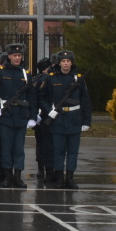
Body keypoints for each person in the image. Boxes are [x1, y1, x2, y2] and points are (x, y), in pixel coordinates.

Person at [0, 42, 38, 189]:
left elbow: (32, 97)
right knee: (6, 147)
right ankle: (7, 176)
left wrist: (33, 117)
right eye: (15, 55)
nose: (17, 58)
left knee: (18, 148)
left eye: (20, 55)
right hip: (6, 115)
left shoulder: (26, 74)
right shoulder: (1, 73)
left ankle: (18, 176)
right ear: (9, 56)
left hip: (21, 116)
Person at [40, 50, 91, 189]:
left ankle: (70, 178)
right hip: (57, 119)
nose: (66, 64)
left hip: (74, 119)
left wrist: (86, 121)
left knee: (73, 151)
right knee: (58, 150)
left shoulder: (78, 79)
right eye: (63, 61)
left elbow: (85, 100)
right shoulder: (51, 78)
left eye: (68, 61)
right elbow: (42, 98)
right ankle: (59, 178)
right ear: (59, 63)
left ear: (72, 63)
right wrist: (48, 111)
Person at [32, 56, 54, 181]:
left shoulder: (39, 79)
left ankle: (45, 168)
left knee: (45, 144)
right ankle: (42, 167)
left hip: (47, 115)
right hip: (41, 116)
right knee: (42, 144)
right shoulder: (40, 80)